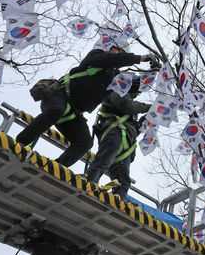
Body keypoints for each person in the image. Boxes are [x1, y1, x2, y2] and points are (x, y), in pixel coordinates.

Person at [16, 40, 158, 167]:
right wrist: (141, 58)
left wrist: (154, 72)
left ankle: (57, 167)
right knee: (56, 110)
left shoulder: (112, 78)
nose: (119, 54)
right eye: (118, 51)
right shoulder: (96, 56)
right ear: (112, 47)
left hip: (73, 113)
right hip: (59, 97)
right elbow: (114, 59)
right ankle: (20, 143)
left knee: (85, 142)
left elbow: (132, 85)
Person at [85, 77, 152, 199]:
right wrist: (150, 107)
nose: (137, 93)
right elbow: (127, 105)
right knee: (102, 162)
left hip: (126, 145)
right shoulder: (115, 93)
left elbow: (135, 129)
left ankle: (119, 200)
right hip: (114, 134)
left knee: (123, 180)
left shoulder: (129, 115)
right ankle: (89, 185)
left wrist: (150, 116)